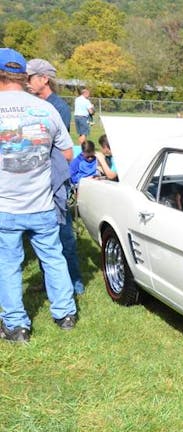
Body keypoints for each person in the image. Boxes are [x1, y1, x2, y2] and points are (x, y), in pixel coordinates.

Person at [0, 48, 78, 342]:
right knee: (53, 257)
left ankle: (16, 325)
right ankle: (65, 314)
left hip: (5, 206)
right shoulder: (46, 109)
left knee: (8, 264)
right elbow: (67, 153)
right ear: (23, 76)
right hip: (43, 202)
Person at [27, 57, 84, 295]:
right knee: (41, 236)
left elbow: (64, 151)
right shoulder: (33, 103)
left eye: (29, 78)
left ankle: (74, 282)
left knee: (63, 234)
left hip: (55, 181)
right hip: (37, 179)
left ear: (44, 79)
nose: (26, 82)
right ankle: (49, 281)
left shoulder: (57, 106)